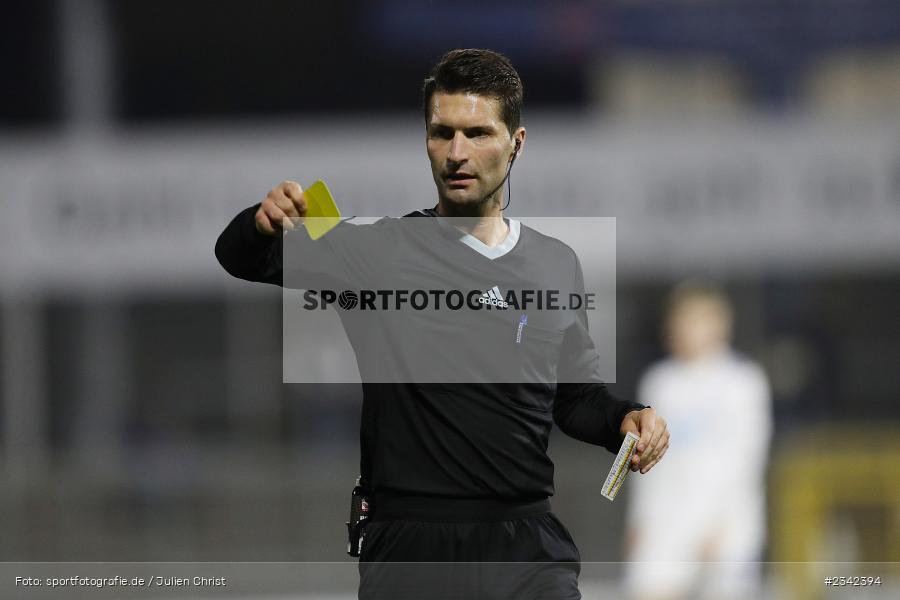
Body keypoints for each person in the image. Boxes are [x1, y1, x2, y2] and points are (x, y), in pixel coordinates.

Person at [216, 48, 669, 600]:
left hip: (526, 548)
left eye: (477, 133)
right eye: (441, 133)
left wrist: (627, 417)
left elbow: (574, 397)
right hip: (411, 550)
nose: (457, 153)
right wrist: (261, 224)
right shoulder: (375, 253)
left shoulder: (556, 263)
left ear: (516, 143)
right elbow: (238, 256)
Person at [623, 281, 772, 600]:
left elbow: (747, 461)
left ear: (719, 323)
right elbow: (641, 458)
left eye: (695, 320)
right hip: (666, 525)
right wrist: (639, 520)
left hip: (724, 530)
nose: (684, 330)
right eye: (679, 321)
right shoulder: (659, 382)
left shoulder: (743, 383)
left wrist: (724, 525)